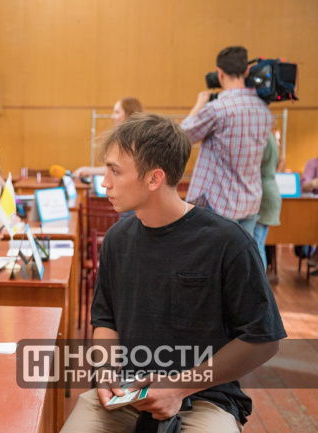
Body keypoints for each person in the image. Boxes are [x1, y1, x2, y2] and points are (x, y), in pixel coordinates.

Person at [62, 113, 286, 432]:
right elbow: (105, 320)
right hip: (126, 394)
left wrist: (179, 387)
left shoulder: (228, 242)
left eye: (115, 171)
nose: (104, 182)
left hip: (204, 396)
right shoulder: (116, 239)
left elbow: (263, 340)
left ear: (154, 179)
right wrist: (107, 370)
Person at [181, 46, 274, 236]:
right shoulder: (264, 111)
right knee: (243, 253)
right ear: (246, 71)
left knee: (215, 254)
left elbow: (182, 136)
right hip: (250, 202)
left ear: (220, 73)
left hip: (221, 203)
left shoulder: (218, 109)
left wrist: (199, 105)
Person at [72, 97, 143, 178]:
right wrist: (88, 170)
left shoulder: (133, 140)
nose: (113, 116)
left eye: (117, 112)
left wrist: (89, 170)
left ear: (129, 114)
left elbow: (120, 168)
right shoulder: (124, 137)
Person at [252, 133, 282, 270]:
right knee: (260, 245)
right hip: (270, 192)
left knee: (256, 246)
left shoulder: (263, 135)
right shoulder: (270, 137)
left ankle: (259, 281)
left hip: (264, 193)